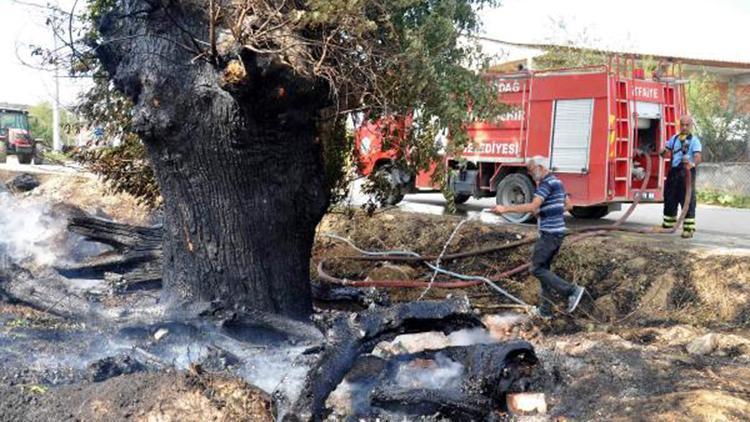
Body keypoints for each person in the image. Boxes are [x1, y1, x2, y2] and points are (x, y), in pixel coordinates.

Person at [490, 156, 585, 319]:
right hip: (557, 233)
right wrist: (545, 212)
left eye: (531, 169)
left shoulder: (546, 184)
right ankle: (545, 311)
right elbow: (569, 206)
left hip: (549, 234)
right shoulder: (558, 182)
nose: (530, 173)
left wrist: (504, 209)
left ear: (541, 167)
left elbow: (532, 205)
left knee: (536, 268)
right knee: (544, 270)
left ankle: (571, 290)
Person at [659, 115, 702, 238]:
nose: (684, 127)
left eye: (687, 125)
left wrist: (692, 164)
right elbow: (666, 152)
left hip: (687, 173)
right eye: (682, 124)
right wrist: (662, 152)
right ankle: (668, 225)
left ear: (691, 126)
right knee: (670, 197)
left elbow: (698, 156)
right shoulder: (674, 138)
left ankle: (688, 228)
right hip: (674, 172)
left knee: (687, 199)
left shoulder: (694, 141)